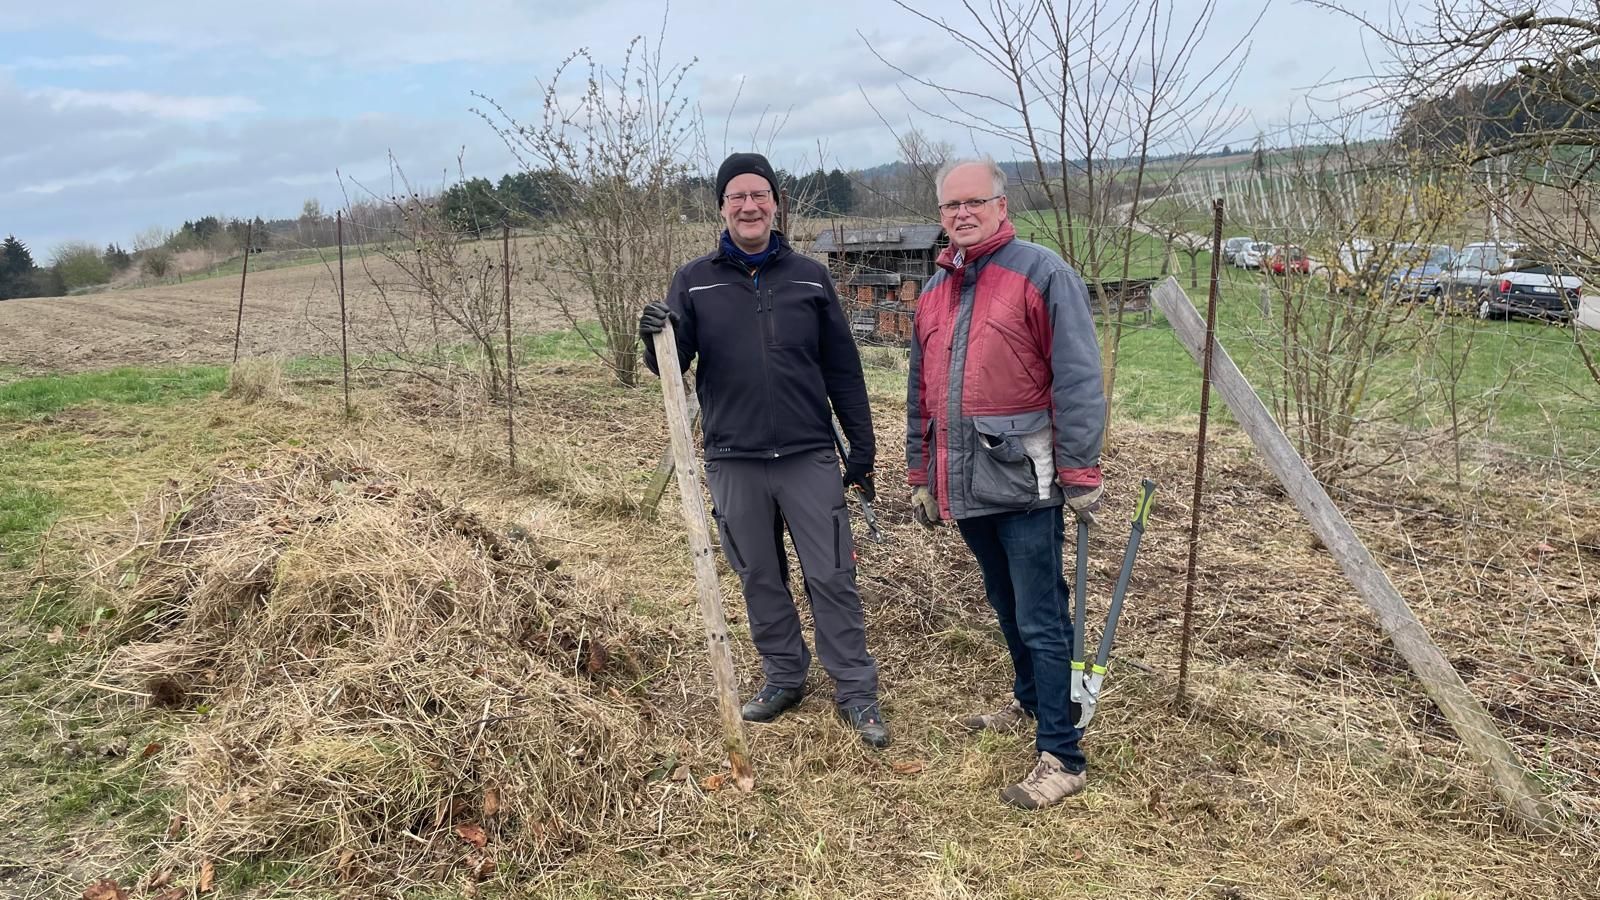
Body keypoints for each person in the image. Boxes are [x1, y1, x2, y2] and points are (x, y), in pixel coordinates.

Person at [639, 152, 889, 748]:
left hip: (808, 455)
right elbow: (670, 366)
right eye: (737, 197)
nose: (749, 206)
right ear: (722, 207)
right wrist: (655, 336)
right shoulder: (694, 281)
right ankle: (784, 675)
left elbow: (843, 369)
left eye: (759, 195)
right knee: (759, 575)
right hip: (734, 458)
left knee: (831, 574)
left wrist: (861, 448)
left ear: (776, 203)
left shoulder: (810, 277)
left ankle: (856, 690)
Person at [905, 157, 1105, 807]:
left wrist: (1080, 470)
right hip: (965, 483)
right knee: (1005, 602)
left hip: (1025, 483)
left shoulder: (1041, 273)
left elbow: (1077, 376)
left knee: (1042, 617)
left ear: (1000, 205)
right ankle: (1031, 701)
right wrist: (921, 473)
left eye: (974, 202)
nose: (962, 213)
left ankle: (1063, 754)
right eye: (950, 205)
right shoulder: (935, 291)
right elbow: (921, 392)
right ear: (941, 215)